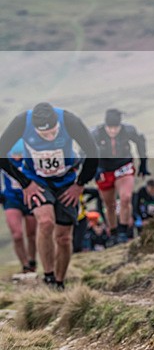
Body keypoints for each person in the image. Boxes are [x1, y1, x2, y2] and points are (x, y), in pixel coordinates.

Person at [0, 102, 98, 289]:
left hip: (67, 182)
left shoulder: (70, 121)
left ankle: (59, 283)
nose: (50, 137)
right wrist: (25, 183)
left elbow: (93, 152)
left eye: (54, 132)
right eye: (44, 135)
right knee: (45, 222)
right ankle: (48, 276)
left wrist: (80, 184)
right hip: (37, 181)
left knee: (64, 238)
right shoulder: (21, 122)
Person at [91, 108, 148, 245]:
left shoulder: (128, 131)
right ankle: (114, 232)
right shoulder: (95, 134)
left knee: (125, 198)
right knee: (109, 205)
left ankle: (123, 231)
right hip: (104, 169)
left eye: (115, 128)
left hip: (124, 166)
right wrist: (94, 169)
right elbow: (85, 151)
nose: (113, 131)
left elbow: (140, 142)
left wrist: (143, 163)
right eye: (109, 128)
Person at [1, 140, 38, 274]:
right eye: (14, 154)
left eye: (20, 154)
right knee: (17, 234)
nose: (17, 157)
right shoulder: (5, 160)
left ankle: (33, 260)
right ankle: (25, 264)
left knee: (31, 233)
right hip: (11, 198)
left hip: (29, 198)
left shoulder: (29, 160)